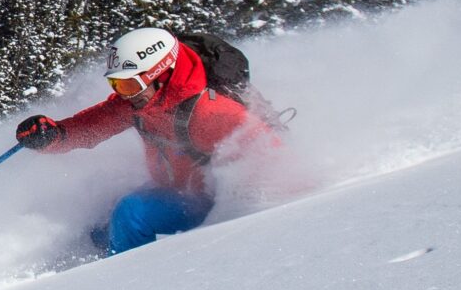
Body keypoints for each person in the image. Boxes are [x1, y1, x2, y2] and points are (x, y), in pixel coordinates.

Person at [14, 26, 275, 256]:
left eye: (128, 85)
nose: (122, 94)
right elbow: (95, 125)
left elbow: (274, 158)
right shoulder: (142, 99)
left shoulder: (212, 112)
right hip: (176, 188)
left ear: (161, 75)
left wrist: (244, 210)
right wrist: (54, 136)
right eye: (116, 84)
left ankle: (117, 285)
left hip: (208, 200)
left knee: (131, 214)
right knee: (102, 224)